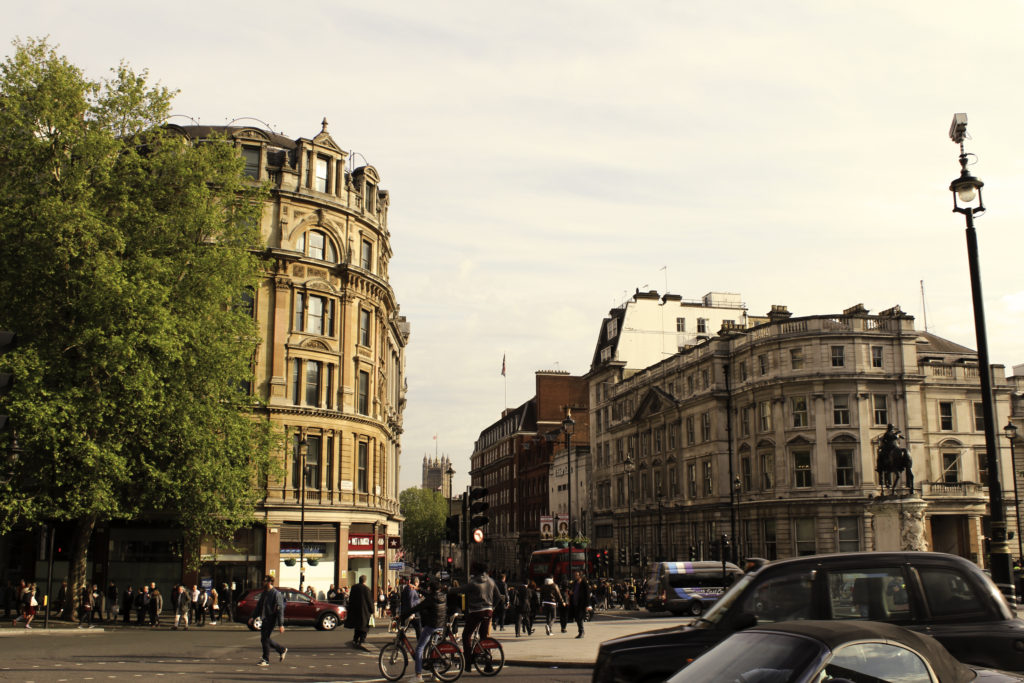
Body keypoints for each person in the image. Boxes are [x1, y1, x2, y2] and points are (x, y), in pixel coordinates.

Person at [452, 563, 501, 671]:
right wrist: (492, 608)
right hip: (488, 611)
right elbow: (498, 597)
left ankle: (468, 662)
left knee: (466, 635)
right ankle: (488, 664)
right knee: (484, 638)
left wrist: (447, 590)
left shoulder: (473, 583)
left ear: (476, 571)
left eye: (472, 569)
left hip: (476, 611)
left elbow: (460, 589)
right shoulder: (491, 581)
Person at [405, 579, 447, 683]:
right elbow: (429, 594)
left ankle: (418, 676)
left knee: (420, 648)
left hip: (431, 626)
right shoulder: (442, 596)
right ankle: (435, 674)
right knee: (434, 648)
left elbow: (418, 607)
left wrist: (404, 614)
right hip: (440, 626)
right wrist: (418, 589)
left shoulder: (430, 599)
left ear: (431, 589)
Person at [250, 575, 287, 668]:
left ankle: (265, 659)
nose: (263, 583)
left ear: (270, 582)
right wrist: (252, 617)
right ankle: (281, 649)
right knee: (265, 639)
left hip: (271, 619)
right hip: (265, 618)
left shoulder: (276, 594)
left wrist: (281, 624)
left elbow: (280, 609)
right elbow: (259, 606)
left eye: (264, 581)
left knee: (265, 639)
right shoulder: (264, 593)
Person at [344, 575, 373, 650]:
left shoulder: (354, 588)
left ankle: (355, 639)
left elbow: (351, 599)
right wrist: (372, 610)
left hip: (355, 610)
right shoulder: (366, 589)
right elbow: (369, 601)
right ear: (365, 581)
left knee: (357, 626)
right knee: (364, 627)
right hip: (364, 610)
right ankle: (362, 640)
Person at [569, 570, 591, 638]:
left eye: (576, 575)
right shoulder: (575, 583)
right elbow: (573, 590)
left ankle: (581, 631)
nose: (575, 576)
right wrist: (571, 593)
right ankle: (581, 631)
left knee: (580, 617)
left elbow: (587, 594)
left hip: (582, 603)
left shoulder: (584, 583)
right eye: (574, 575)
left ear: (580, 575)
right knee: (577, 618)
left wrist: (587, 605)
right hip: (575, 602)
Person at [400, 576, 422, 641]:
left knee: (404, 628)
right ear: (416, 583)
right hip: (412, 611)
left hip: (406, 611)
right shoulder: (411, 589)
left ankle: (400, 642)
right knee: (418, 628)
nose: (418, 584)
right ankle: (420, 642)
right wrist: (412, 612)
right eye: (418, 583)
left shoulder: (408, 588)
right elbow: (411, 601)